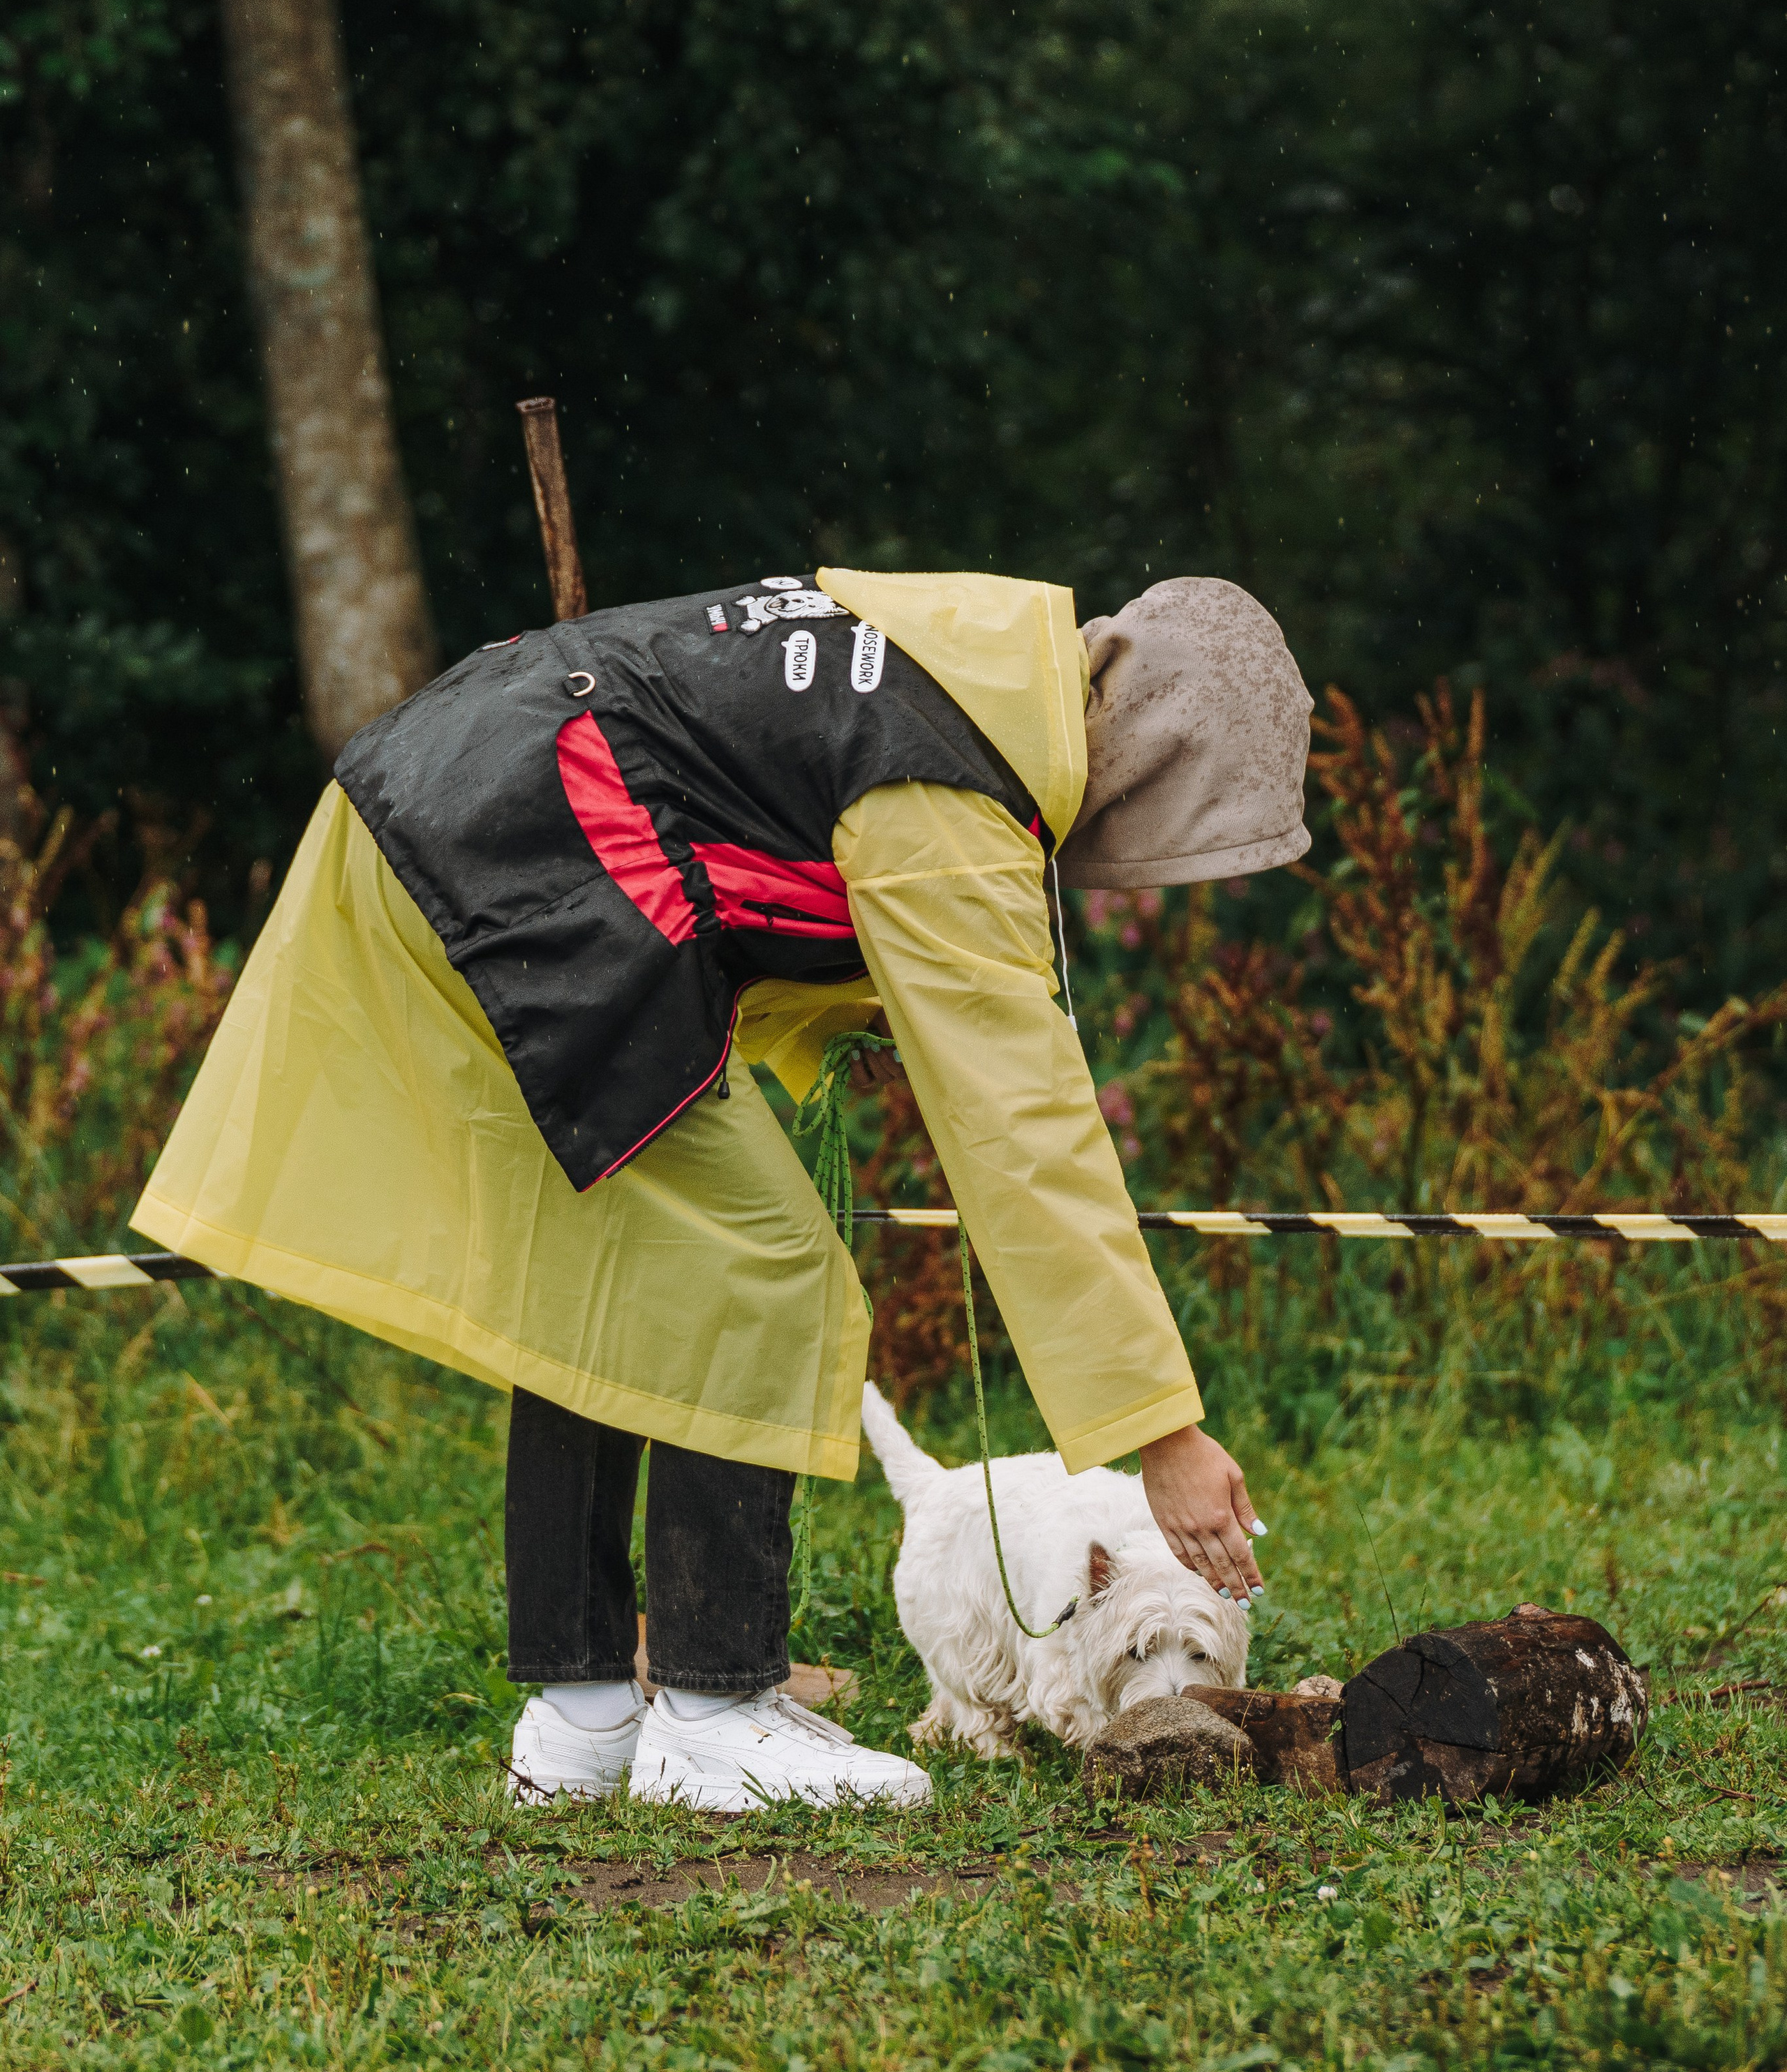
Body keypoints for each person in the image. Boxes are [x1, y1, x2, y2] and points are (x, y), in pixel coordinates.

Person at [133, 567, 1312, 1812]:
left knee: (598, 1271)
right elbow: (1029, 1135)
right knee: (771, 1268)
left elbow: (752, 830)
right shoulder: (947, 782)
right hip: (516, 847)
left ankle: (580, 1714)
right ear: (1153, 760)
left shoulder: (941, 673)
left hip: (443, 797)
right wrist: (1162, 1429)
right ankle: (715, 1710)